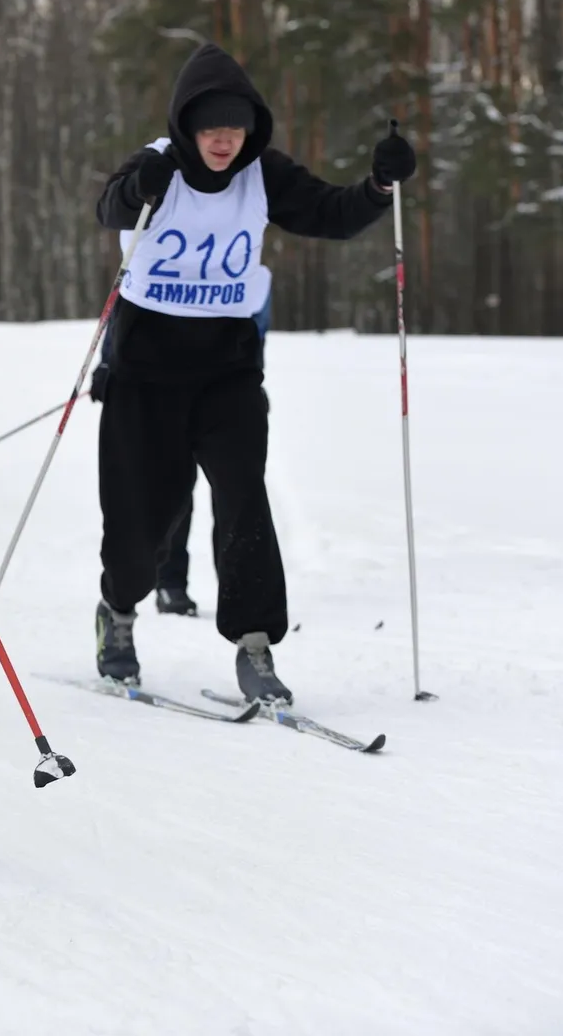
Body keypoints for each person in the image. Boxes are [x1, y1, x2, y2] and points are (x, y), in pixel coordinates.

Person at [92, 42, 414, 704]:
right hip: (146, 375)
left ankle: (255, 646)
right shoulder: (157, 166)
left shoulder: (261, 173)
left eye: (235, 127)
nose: (222, 140)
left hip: (227, 372)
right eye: (210, 127)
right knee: (141, 524)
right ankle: (118, 614)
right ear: (187, 126)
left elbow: (332, 213)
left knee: (243, 501)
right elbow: (111, 209)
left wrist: (380, 186)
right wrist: (136, 188)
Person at [90, 287, 273, 618]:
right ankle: (171, 583)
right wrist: (108, 365)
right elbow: (122, 304)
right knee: (171, 494)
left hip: (221, 386)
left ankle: (236, 600)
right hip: (156, 385)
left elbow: (255, 326)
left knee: (235, 495)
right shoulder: (154, 246)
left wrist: (250, 381)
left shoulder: (243, 259)